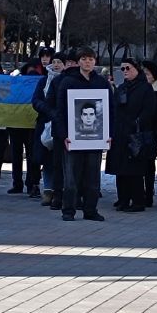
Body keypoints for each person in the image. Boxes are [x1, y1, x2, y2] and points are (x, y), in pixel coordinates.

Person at [52, 47, 110, 221]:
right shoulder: (68, 81)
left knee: (93, 178)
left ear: (95, 62)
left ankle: (90, 210)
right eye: (84, 59)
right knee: (70, 178)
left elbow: (110, 111)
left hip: (95, 139)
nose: (88, 62)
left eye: (91, 59)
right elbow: (60, 111)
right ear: (78, 62)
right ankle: (68, 210)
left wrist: (109, 134)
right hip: (73, 139)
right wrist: (63, 135)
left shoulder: (101, 82)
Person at [106, 58, 156, 212]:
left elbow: (149, 111)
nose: (125, 71)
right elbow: (114, 109)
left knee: (135, 171)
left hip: (136, 135)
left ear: (136, 69)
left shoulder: (145, 88)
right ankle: (123, 199)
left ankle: (138, 201)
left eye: (128, 68)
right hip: (120, 134)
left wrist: (137, 123)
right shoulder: (121, 88)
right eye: (122, 69)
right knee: (121, 170)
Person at [33, 52, 66, 206]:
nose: (56, 64)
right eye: (55, 61)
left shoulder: (68, 80)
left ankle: (62, 190)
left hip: (62, 126)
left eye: (60, 61)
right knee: (46, 159)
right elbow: (36, 101)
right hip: (45, 123)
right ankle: (47, 190)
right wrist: (48, 110)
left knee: (61, 160)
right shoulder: (43, 81)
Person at [8, 60, 43, 195]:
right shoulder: (16, 83)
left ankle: (31, 183)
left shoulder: (41, 82)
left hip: (31, 125)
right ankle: (18, 183)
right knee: (17, 155)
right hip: (16, 124)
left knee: (32, 156)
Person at [141, 61, 157, 207]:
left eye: (147, 74)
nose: (144, 76)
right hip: (138, 131)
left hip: (152, 132)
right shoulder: (139, 89)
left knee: (149, 164)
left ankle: (149, 193)